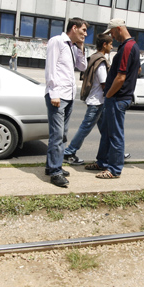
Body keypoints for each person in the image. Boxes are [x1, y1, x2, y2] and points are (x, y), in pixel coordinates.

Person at [86, 18, 140, 179]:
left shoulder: (127, 48)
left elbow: (121, 77)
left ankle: (114, 169)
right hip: (117, 97)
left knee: (115, 134)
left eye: (111, 32)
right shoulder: (130, 46)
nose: (111, 37)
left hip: (117, 98)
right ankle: (102, 162)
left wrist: (109, 94)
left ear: (118, 28)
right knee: (108, 133)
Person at [44, 17, 88, 187]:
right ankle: (55, 172)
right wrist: (54, 92)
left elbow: (83, 67)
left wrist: (81, 48)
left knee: (62, 134)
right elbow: (51, 67)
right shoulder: (57, 41)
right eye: (83, 30)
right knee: (56, 135)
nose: (85, 34)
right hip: (58, 95)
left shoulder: (72, 47)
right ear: (74, 28)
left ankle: (52, 166)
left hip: (68, 96)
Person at [63, 33, 113, 166]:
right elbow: (104, 84)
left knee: (106, 130)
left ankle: (112, 151)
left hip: (97, 100)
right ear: (104, 45)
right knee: (85, 127)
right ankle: (69, 151)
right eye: (110, 44)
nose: (112, 47)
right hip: (97, 102)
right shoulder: (101, 62)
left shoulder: (93, 58)